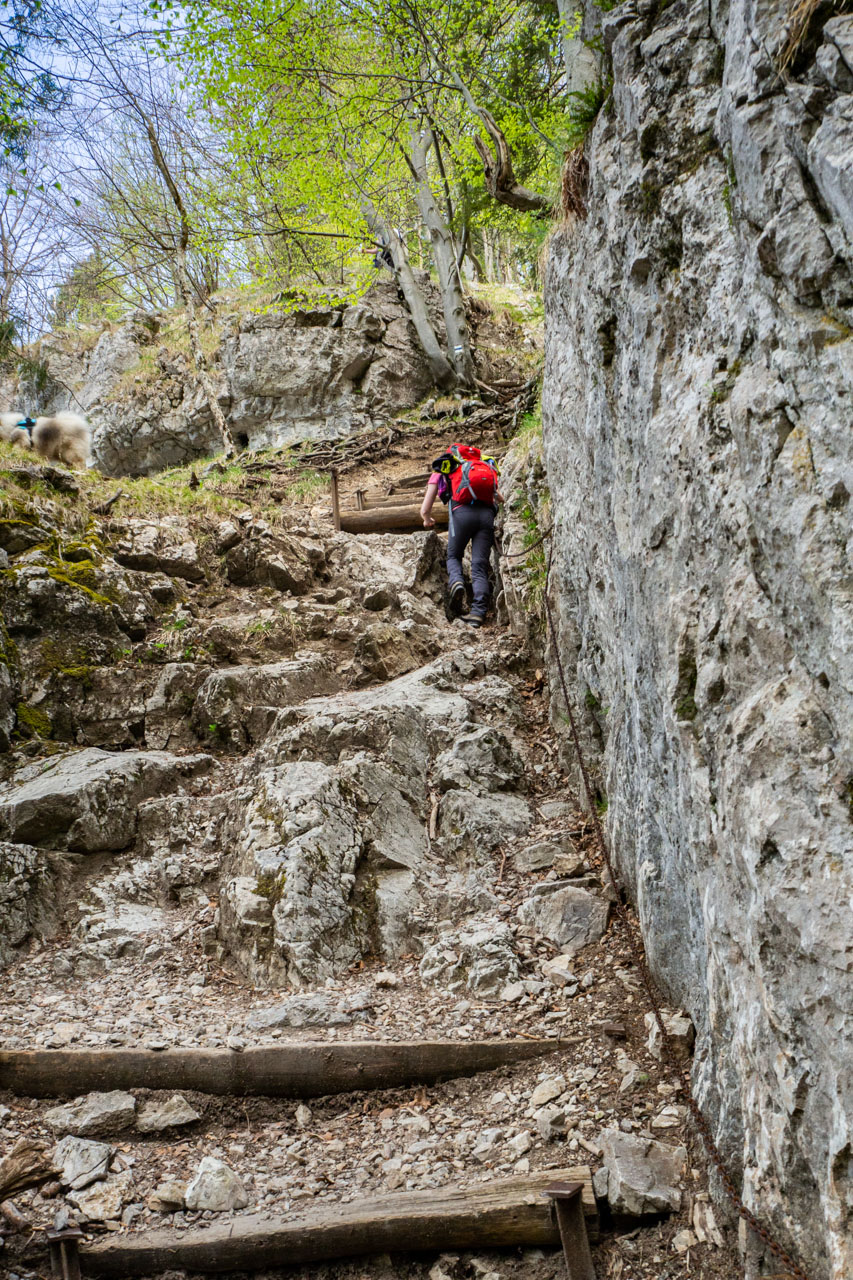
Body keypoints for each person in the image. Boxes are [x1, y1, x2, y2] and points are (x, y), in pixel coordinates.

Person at [421, 443, 503, 628]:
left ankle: (456, 582)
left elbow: (426, 506)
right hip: (487, 515)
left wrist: (426, 518)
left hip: (461, 514)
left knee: (453, 555)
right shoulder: (484, 466)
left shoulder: (447, 466)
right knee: (479, 565)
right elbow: (499, 497)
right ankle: (478, 613)